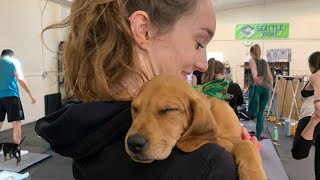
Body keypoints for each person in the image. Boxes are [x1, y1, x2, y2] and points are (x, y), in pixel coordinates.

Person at [35, 0, 237, 179]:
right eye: (199, 43)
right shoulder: (208, 164)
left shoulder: (85, 135)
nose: (203, 64)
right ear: (143, 30)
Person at [291, 51, 320, 179]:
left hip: (311, 115)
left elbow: (318, 82)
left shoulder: (315, 75)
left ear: (311, 65)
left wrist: (318, 103)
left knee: (298, 153)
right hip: (313, 115)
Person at [0, 49, 36, 144]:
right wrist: (30, 94)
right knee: (16, 122)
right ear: (11, 56)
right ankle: (17, 149)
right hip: (11, 96)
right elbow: (20, 78)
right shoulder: (13, 62)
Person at [247, 44, 273, 140]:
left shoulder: (252, 60)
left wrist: (255, 78)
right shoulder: (265, 62)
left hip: (257, 86)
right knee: (260, 114)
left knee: (252, 111)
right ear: (260, 52)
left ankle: (252, 114)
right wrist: (271, 87)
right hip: (266, 89)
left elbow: (254, 69)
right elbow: (270, 77)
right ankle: (257, 137)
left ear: (251, 52)